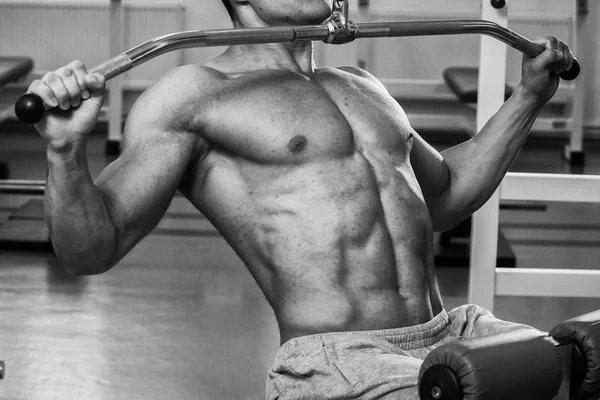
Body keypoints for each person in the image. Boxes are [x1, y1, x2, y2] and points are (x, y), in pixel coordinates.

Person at [26, 0, 574, 398]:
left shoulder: (363, 87)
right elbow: (90, 249)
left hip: (448, 335)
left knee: (579, 360)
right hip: (343, 363)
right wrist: (65, 153)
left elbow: (447, 194)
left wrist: (529, 96)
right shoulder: (195, 94)